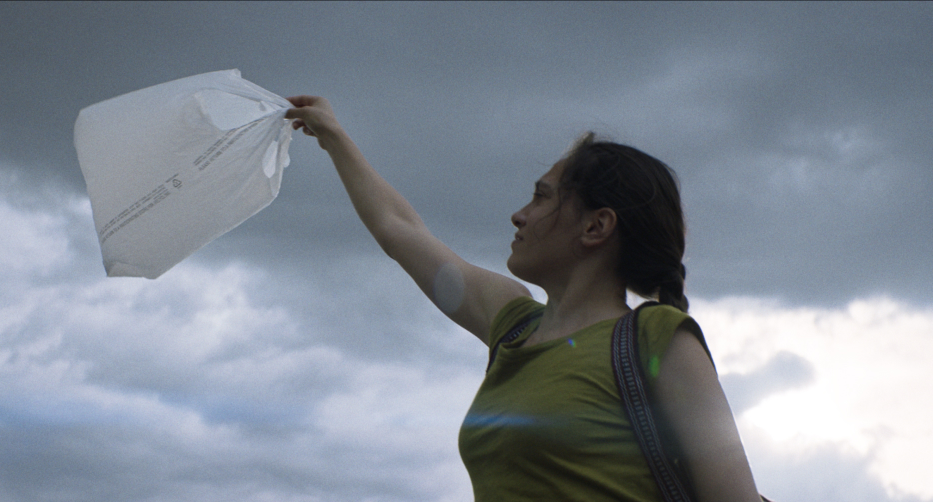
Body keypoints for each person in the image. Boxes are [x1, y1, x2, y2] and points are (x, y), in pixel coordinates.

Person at [284, 95, 762, 502]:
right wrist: (333, 137)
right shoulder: (510, 322)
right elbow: (399, 231)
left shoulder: (657, 339)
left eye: (540, 198)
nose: (519, 215)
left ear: (596, 227)